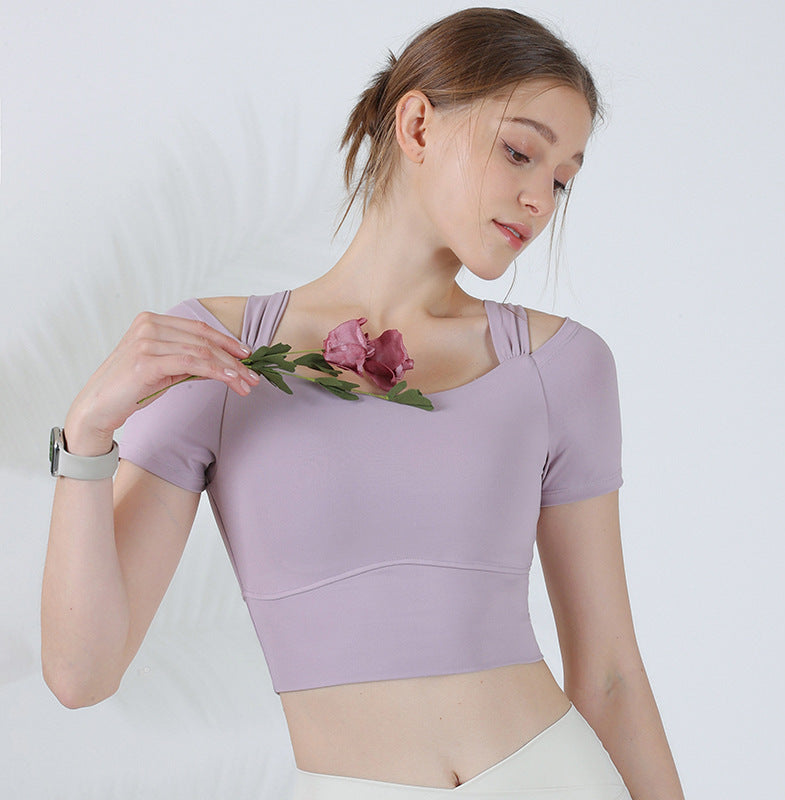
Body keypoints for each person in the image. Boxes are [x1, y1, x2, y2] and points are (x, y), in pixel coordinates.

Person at [41, 8, 685, 800]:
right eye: (520, 152)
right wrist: (86, 435)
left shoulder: (559, 366)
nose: (539, 200)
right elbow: (81, 674)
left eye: (561, 180)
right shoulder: (219, 352)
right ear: (417, 125)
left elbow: (611, 674)